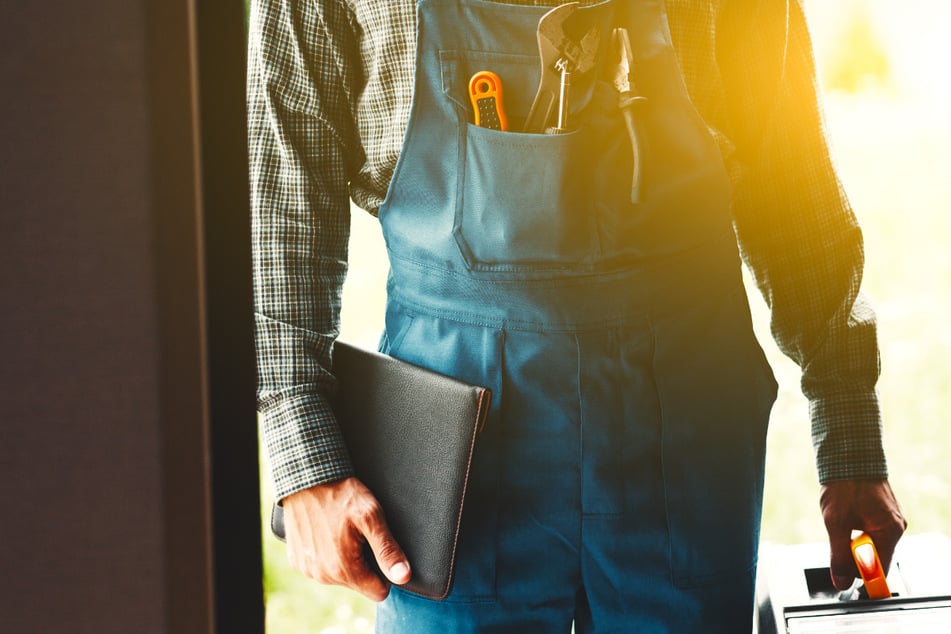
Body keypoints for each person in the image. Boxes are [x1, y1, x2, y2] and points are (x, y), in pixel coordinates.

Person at [248, 0, 907, 631]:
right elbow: (283, 192)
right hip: (451, 449)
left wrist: (849, 429)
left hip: (683, 428)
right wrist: (303, 452)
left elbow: (789, 181)